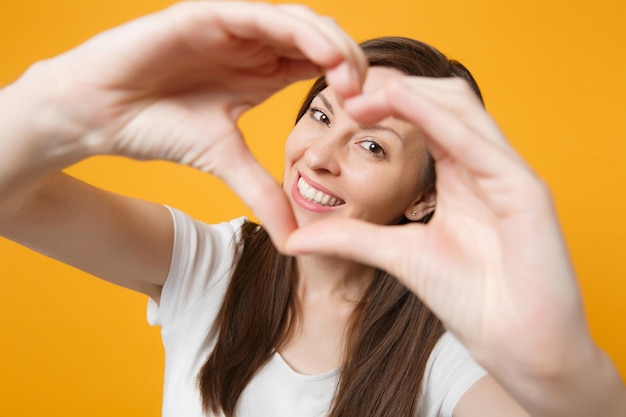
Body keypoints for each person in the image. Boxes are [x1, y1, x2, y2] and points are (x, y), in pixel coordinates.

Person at [0, 2, 624, 417]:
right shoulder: (209, 263)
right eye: (321, 115)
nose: (318, 156)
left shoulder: (446, 352)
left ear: (425, 197)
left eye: (372, 145)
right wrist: (60, 103)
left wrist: (566, 372)